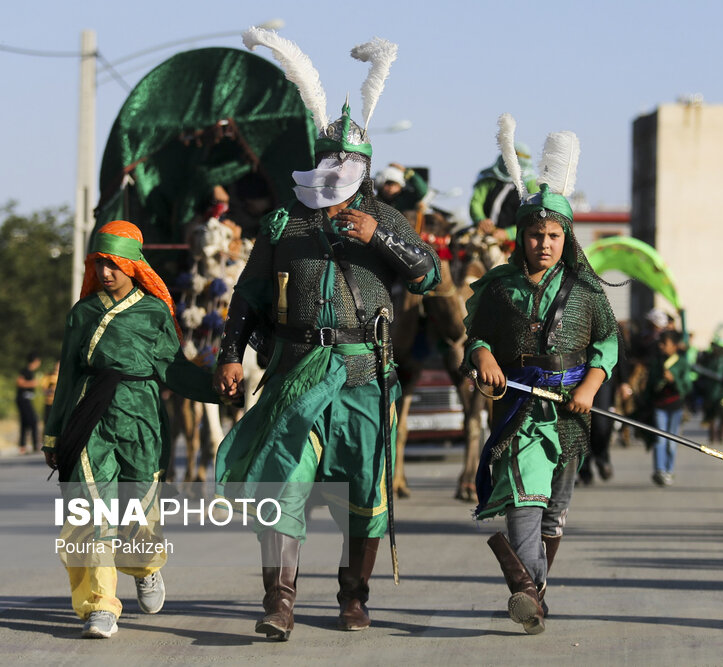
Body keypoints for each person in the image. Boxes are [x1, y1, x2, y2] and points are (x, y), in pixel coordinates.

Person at [214, 30, 439, 640]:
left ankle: (353, 598)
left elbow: (428, 275)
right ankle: (279, 601)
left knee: (365, 492)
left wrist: (380, 237)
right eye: (332, 158)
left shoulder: (382, 218)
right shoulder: (283, 221)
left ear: (365, 168)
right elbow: (249, 295)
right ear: (317, 158)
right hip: (296, 372)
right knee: (284, 482)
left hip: (365, 377)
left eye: (353, 162)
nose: (341, 169)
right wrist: (231, 354)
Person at [466, 118, 618, 634]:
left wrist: (590, 388)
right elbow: (477, 335)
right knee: (523, 503)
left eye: (554, 235)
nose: (545, 243)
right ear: (521, 236)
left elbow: (608, 344)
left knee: (554, 513)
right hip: (519, 410)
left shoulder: (587, 291)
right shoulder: (498, 287)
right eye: (535, 234)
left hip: (570, 412)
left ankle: (533, 590)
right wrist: (483, 357)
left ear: (565, 236)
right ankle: (525, 590)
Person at [42, 220, 217, 638]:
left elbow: (174, 370)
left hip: (140, 415)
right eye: (100, 263)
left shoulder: (155, 311)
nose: (106, 272)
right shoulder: (82, 313)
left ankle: (143, 566)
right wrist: (54, 435)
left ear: (133, 264)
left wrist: (221, 387)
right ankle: (99, 606)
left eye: (114, 264)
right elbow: (68, 376)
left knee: (138, 509)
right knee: (89, 511)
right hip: (90, 415)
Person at [644, 330, 691, 486]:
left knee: (671, 441)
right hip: (659, 406)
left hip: (675, 407)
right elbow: (650, 385)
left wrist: (673, 380)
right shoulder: (657, 361)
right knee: (660, 438)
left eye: (665, 344)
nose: (661, 346)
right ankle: (659, 471)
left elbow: (687, 386)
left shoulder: (682, 362)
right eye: (661, 343)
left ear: (674, 346)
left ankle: (669, 471)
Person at [469, 144, 539, 244]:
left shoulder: (532, 184)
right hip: (482, 233)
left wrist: (509, 233)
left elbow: (533, 215)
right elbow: (476, 202)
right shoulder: (489, 177)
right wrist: (481, 220)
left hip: (515, 241)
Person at [15, 352, 41, 454]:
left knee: (25, 422)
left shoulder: (32, 372)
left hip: (27, 399)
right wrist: (32, 383)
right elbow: (19, 382)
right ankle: (35, 445)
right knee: (33, 421)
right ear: (35, 361)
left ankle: (23, 446)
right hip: (23, 398)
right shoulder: (25, 371)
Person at [40, 360, 60, 426]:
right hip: (49, 402)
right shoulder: (48, 376)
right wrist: (52, 391)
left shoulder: (64, 377)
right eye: (57, 365)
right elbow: (44, 390)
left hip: (59, 404)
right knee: (47, 422)